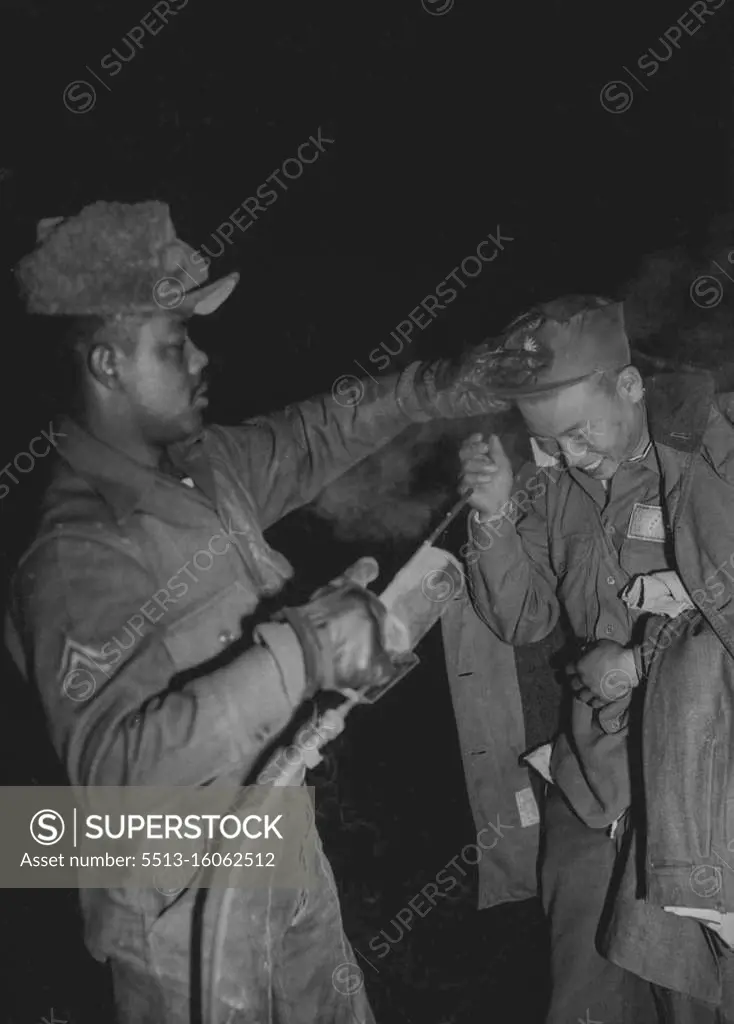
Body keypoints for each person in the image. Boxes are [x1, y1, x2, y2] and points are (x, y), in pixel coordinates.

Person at [4, 199, 509, 1024]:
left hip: (275, 838)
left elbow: (317, 433)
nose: (201, 359)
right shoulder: (73, 549)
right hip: (180, 907)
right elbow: (111, 781)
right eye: (174, 343)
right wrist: (304, 653)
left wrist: (433, 388)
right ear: (106, 366)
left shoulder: (202, 466)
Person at [458, 294, 734, 1023]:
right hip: (594, 781)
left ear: (631, 385)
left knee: (694, 992)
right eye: (549, 443)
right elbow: (525, 617)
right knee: (586, 994)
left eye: (579, 435)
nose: (569, 457)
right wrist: (491, 517)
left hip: (698, 781)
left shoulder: (713, 457)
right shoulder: (554, 488)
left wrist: (642, 664)